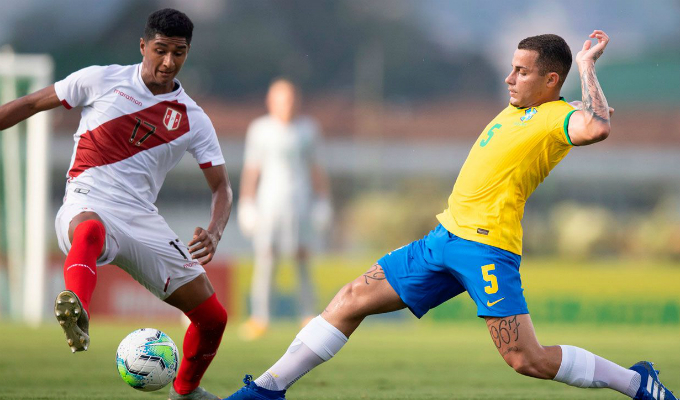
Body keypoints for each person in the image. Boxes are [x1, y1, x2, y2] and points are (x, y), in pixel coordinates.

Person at [223, 31, 677, 400]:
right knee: (350, 299)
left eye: (522, 72)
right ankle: (267, 389)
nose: (509, 78)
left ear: (551, 80)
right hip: (442, 240)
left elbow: (597, 126)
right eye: (511, 68)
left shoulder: (555, 118)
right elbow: (583, 109)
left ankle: (636, 382)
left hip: (486, 249)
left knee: (527, 360)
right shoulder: (522, 108)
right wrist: (581, 100)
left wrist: (587, 68)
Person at [0, 9, 231, 400]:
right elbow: (30, 103)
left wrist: (215, 230)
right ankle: (77, 310)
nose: (168, 62)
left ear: (187, 53)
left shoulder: (193, 118)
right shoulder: (100, 79)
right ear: (142, 46)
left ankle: (186, 391)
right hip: (87, 200)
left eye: (178, 53)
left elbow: (222, 186)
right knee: (90, 230)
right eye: (160, 50)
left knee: (213, 318)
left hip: (142, 218)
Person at [237, 78, 332, 341]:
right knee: (266, 258)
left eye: (290, 100)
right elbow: (252, 169)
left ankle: (308, 316)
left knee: (302, 258)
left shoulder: (308, 129)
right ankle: (260, 317)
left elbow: (316, 168)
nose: (286, 105)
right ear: (271, 102)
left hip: (300, 203)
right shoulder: (260, 129)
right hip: (269, 203)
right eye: (281, 100)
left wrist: (322, 202)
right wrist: (246, 203)